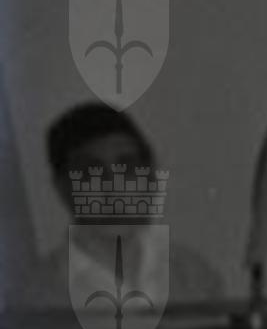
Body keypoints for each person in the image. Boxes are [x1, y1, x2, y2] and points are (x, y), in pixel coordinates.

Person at [7, 102, 226, 317]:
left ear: (150, 177)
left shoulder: (195, 278)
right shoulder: (35, 299)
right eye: (91, 172)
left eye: (128, 168)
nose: (113, 188)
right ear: (63, 187)